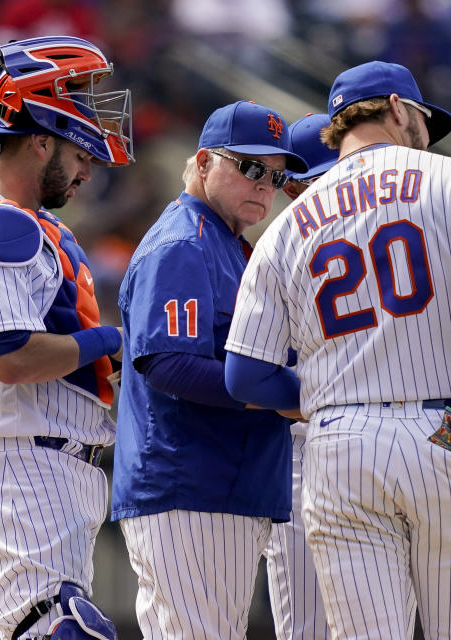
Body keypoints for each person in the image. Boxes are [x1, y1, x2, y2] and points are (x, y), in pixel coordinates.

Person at [224, 60, 451, 640]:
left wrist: (325, 398)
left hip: (339, 444)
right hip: (447, 429)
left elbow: (244, 376)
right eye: (420, 118)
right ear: (395, 108)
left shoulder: (288, 225)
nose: (425, 133)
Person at [0, 35, 132, 640]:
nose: (87, 169)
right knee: (63, 632)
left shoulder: (35, 225)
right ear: (41, 136)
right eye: (80, 151)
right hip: (17, 465)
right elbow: (13, 359)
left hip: (56, 466)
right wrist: (110, 342)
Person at [110, 99, 307, 639]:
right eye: (249, 167)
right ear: (202, 163)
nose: (265, 184)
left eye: (276, 174)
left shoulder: (229, 245)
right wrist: (282, 394)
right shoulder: (183, 242)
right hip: (189, 485)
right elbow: (169, 364)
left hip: (224, 486)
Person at [264, 112, 337, 640]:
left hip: (329, 440)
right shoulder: (281, 246)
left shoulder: (279, 245)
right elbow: (252, 376)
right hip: (301, 443)